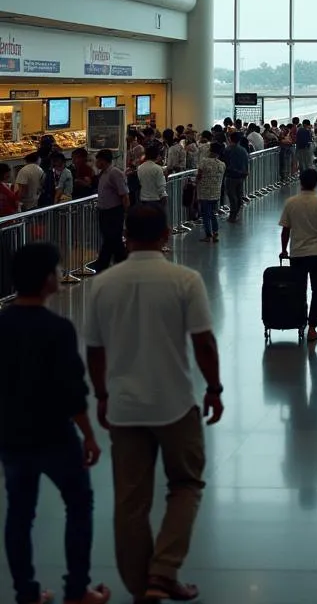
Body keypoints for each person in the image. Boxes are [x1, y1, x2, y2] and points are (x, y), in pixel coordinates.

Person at [84, 206, 223, 602]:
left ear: (126, 236)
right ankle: (162, 573)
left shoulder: (104, 284)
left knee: (130, 502)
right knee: (186, 483)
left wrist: (102, 395)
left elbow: (94, 350)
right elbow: (203, 341)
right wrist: (213, 387)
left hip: (124, 408)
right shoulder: (184, 280)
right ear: (165, 235)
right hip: (175, 403)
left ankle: (140, 584)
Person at [0, 243, 110, 604]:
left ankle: (26, 593)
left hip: (13, 435)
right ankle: (77, 589)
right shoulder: (57, 329)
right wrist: (89, 434)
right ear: (48, 278)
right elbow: (72, 390)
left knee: (19, 513)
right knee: (79, 504)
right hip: (54, 434)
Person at [279, 169, 317, 344]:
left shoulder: (291, 203)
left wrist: (284, 250)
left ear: (300, 182)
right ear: (316, 183)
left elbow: (285, 230)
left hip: (297, 253)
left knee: (299, 290)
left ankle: (300, 323)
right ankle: (312, 328)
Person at [93, 150, 130, 270]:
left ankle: (102, 264)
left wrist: (126, 213)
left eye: (97, 160)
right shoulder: (103, 174)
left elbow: (124, 194)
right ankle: (120, 262)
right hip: (104, 212)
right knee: (112, 240)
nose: (96, 163)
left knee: (111, 238)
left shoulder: (115, 173)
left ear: (103, 161)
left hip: (114, 212)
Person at [195, 143, 225, 244]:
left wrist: (196, 183)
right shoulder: (222, 164)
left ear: (210, 150)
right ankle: (215, 232)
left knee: (205, 214)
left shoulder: (204, 162)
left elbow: (199, 175)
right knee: (213, 213)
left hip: (204, 192)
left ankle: (208, 235)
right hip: (216, 192)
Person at [222, 132, 249, 224]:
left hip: (231, 175)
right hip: (241, 175)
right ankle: (236, 213)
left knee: (232, 195)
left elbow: (225, 163)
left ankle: (233, 215)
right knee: (238, 195)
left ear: (230, 139)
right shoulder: (243, 150)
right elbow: (246, 163)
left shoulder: (228, 150)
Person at [136, 143, 168, 217]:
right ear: (156, 155)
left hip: (143, 200)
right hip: (155, 200)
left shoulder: (140, 168)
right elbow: (161, 187)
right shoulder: (157, 168)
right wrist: (164, 197)